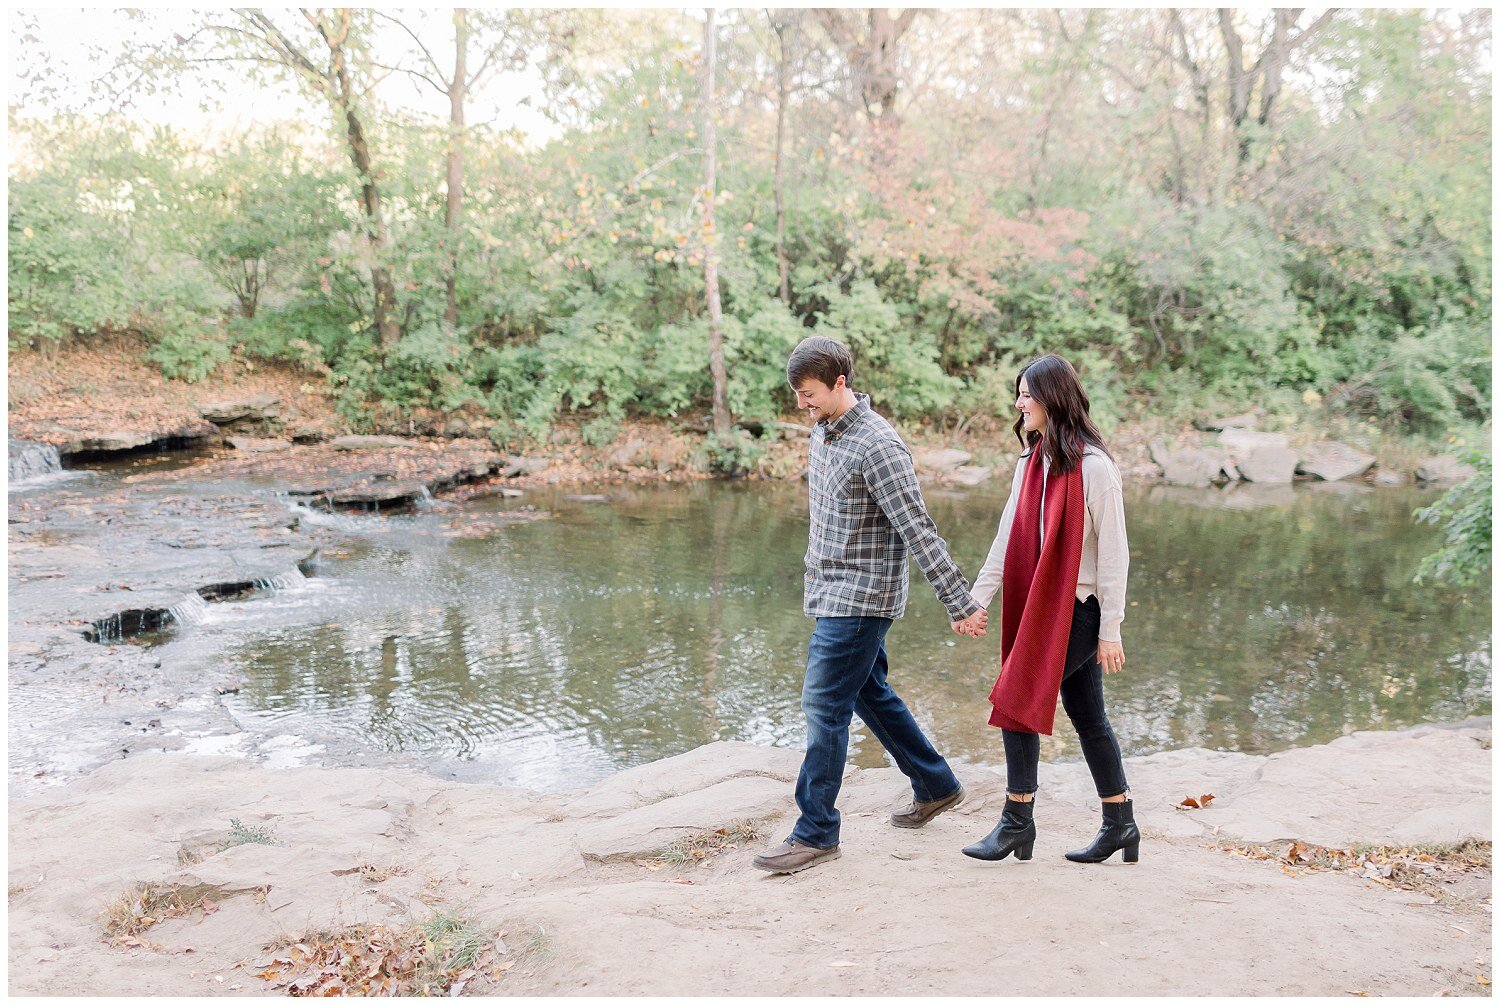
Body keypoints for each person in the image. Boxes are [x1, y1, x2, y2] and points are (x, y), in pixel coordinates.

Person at [752, 335, 988, 875]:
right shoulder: (824, 431)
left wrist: (960, 602)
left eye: (809, 394)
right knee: (868, 693)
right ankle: (935, 783)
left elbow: (919, 529)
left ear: (840, 384)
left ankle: (815, 832)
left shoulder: (878, 446)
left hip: (862, 597)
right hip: (829, 589)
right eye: (796, 395)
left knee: (823, 705)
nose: (801, 405)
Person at [960, 354, 1137, 865]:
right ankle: (1121, 823)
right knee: (1088, 715)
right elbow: (1008, 536)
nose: (1018, 403)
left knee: (1017, 700)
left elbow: (1115, 555)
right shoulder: (1030, 462)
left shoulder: (1094, 467)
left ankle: (1017, 822)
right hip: (1039, 606)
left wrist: (1110, 630)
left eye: (1026, 394)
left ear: (1052, 398)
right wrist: (978, 599)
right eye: (1017, 394)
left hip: (1079, 610)